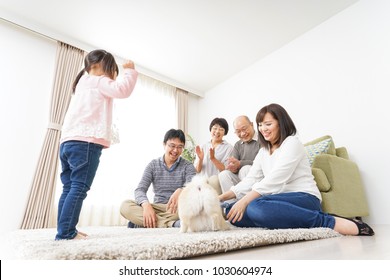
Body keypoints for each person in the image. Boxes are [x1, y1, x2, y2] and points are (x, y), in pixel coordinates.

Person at [219, 103, 374, 236]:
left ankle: (327, 220)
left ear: (281, 123)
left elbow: (276, 178)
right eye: (260, 125)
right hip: (277, 200)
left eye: (268, 124)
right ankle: (280, 218)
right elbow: (250, 180)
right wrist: (220, 198)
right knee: (235, 215)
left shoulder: (292, 143)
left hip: (304, 198)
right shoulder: (263, 152)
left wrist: (245, 201)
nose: (263, 129)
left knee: (254, 206)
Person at [56, 49, 138, 240]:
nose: (113, 76)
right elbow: (122, 90)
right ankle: (66, 233)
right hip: (86, 143)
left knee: (68, 188)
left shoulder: (81, 83)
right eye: (113, 71)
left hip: (67, 142)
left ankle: (65, 229)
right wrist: (130, 72)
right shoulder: (99, 81)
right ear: (102, 66)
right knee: (79, 187)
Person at [120, 129, 196, 228]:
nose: (175, 150)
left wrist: (182, 190)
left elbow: (193, 187)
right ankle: (172, 224)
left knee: (193, 210)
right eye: (172, 146)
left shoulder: (188, 166)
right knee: (125, 206)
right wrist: (146, 206)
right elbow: (140, 190)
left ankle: (143, 222)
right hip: (158, 207)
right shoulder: (153, 165)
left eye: (180, 147)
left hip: (178, 209)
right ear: (164, 144)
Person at [218, 115, 260, 194]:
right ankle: (230, 204)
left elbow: (261, 164)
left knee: (245, 169)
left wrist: (240, 163)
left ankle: (247, 203)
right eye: (238, 131)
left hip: (257, 178)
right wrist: (233, 167)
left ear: (252, 124)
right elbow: (234, 164)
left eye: (244, 129)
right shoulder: (237, 144)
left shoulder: (262, 139)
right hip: (241, 177)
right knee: (223, 174)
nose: (243, 133)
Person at [194, 117, 233, 194]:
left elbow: (225, 170)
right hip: (202, 184)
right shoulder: (203, 146)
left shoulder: (229, 148)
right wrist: (201, 159)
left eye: (221, 129)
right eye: (215, 128)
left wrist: (213, 158)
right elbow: (197, 170)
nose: (217, 131)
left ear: (225, 132)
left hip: (217, 185)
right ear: (211, 130)